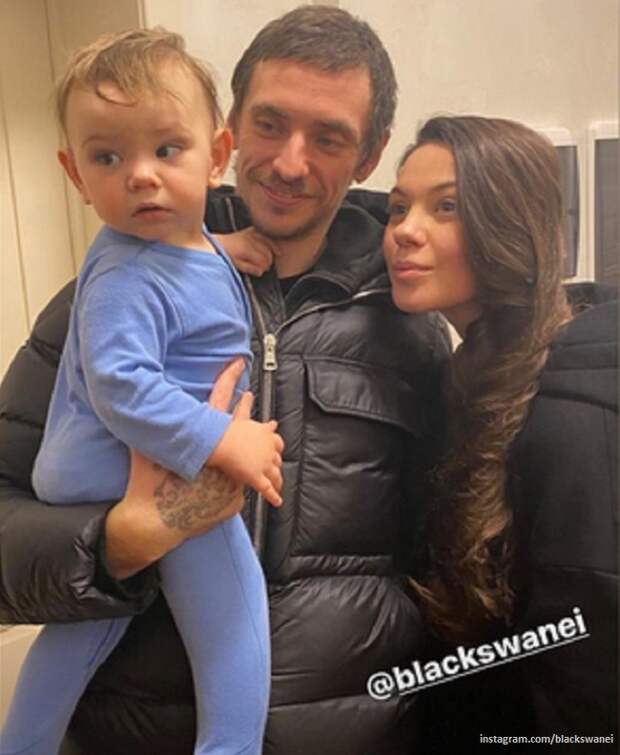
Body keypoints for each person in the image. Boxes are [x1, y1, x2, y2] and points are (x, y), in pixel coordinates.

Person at [0, 6, 448, 754]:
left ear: (368, 157)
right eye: (271, 124)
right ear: (232, 132)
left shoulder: (408, 324)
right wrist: (113, 546)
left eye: (328, 137)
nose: (291, 163)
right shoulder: (95, 299)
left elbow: (446, 564)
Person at [0, 29, 284, 755]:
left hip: (96, 474)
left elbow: (180, 268)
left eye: (166, 149)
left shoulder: (166, 245)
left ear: (215, 156)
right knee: (235, 621)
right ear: (74, 172)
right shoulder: (128, 275)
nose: (141, 177)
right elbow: (121, 384)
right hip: (133, 467)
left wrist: (224, 249)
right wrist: (224, 439)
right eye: (107, 158)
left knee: (82, 631)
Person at [382, 115, 618, 749]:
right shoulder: (461, 378)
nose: (404, 230)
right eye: (398, 207)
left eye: (447, 207)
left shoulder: (571, 402)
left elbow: (590, 655)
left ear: (510, 224)